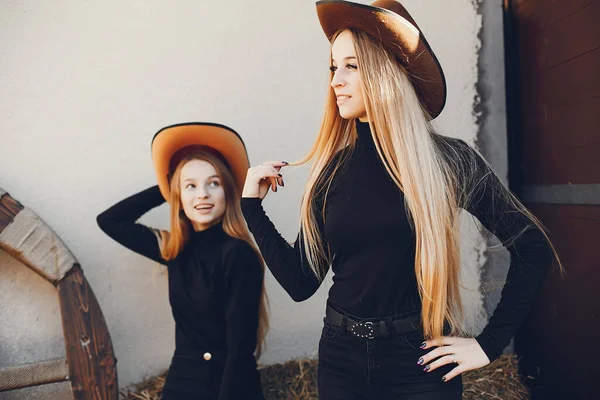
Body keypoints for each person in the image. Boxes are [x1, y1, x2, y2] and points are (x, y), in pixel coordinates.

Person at [240, 1, 559, 399]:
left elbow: (533, 246)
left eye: (351, 66)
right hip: (342, 362)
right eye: (333, 67)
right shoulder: (331, 170)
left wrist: (488, 344)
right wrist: (252, 209)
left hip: (420, 364)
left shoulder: (448, 161)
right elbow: (302, 281)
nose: (335, 80)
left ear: (385, 70)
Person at [97, 123, 267, 400]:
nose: (202, 194)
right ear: (178, 195)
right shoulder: (175, 250)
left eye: (214, 183)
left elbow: (240, 350)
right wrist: (166, 186)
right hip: (181, 384)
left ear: (228, 192)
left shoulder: (238, 254)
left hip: (226, 385)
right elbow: (110, 221)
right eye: (191, 186)